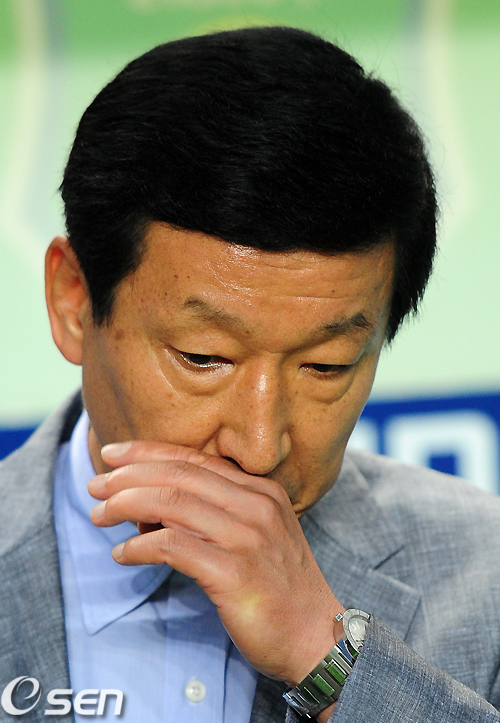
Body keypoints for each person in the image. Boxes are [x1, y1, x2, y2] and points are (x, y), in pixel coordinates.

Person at [0, 25, 499, 723]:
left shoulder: (486, 572)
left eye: (326, 365)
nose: (259, 448)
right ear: (74, 301)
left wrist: (330, 662)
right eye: (204, 357)